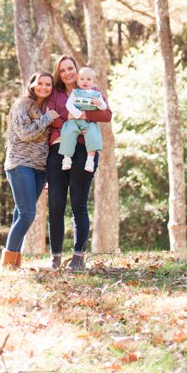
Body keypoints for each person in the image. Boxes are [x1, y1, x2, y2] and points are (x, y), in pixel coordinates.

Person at [45, 54, 112, 271]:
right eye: (62, 70)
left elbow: (106, 115)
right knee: (55, 205)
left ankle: (78, 257)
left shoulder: (91, 89)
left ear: (76, 69)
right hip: (58, 151)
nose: (67, 73)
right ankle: (55, 257)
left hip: (84, 149)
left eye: (70, 68)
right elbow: (50, 118)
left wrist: (83, 115)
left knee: (78, 205)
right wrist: (68, 121)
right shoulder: (54, 93)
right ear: (59, 73)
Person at [2, 71, 59, 269]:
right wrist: (47, 119)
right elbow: (25, 134)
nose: (44, 87)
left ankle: (13, 263)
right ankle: (7, 261)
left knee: (21, 214)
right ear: (32, 84)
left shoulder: (46, 107)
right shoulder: (22, 105)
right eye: (40, 83)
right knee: (27, 214)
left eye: (48, 84)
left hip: (39, 169)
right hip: (20, 165)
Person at [58, 66, 107, 172]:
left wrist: (99, 103)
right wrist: (77, 114)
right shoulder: (75, 93)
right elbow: (69, 104)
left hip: (88, 122)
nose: (85, 81)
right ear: (78, 81)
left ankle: (90, 161)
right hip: (74, 119)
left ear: (93, 82)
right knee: (68, 132)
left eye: (89, 79)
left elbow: (104, 108)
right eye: (82, 79)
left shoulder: (96, 94)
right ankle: (67, 158)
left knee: (93, 134)